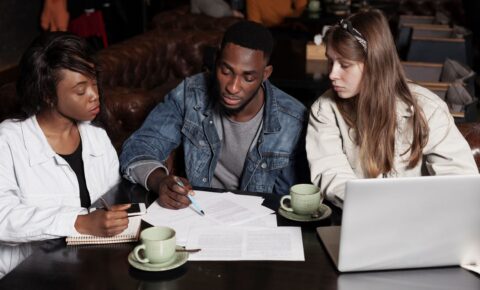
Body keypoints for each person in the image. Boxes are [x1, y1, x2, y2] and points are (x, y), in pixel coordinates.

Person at [120, 21, 308, 210]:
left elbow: (294, 201)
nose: (233, 87)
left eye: (248, 78)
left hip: (258, 226)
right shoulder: (190, 94)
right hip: (198, 215)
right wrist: (159, 181)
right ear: (216, 61)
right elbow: (139, 147)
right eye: (226, 71)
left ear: (265, 74)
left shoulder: (293, 121)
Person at [306, 9, 478, 207]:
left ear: (374, 65)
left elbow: (460, 180)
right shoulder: (324, 110)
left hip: (421, 222)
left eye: (344, 65)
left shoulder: (428, 109)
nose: (332, 74)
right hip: (360, 220)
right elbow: (332, 175)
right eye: (330, 61)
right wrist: (383, 207)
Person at [0, 32, 129, 245]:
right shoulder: (8, 141)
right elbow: (3, 218)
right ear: (48, 96)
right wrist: (79, 222)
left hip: (86, 262)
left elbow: (113, 198)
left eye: (94, 82)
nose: (94, 95)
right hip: (25, 272)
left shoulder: (96, 135)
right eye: (80, 91)